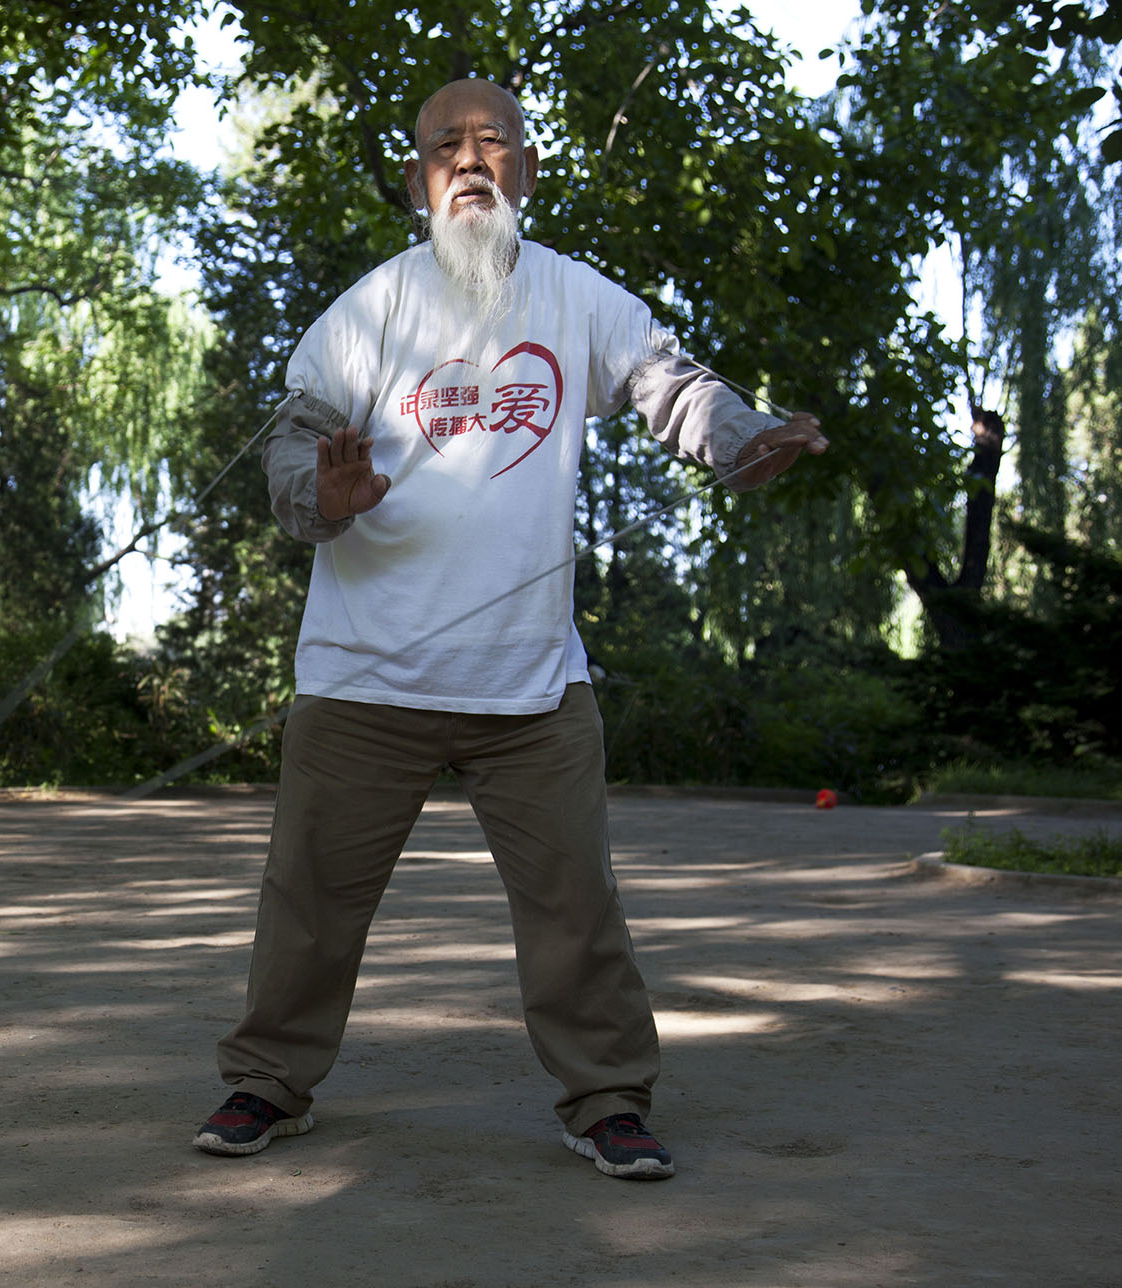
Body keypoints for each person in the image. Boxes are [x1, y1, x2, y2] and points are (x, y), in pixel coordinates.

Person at [192, 78, 828, 1179]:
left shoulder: (580, 299)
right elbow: (292, 454)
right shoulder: (367, 309)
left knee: (576, 904)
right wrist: (325, 498)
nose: (471, 160)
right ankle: (268, 1083)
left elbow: (673, 387)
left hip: (530, 684)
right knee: (306, 904)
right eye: (446, 146)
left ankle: (606, 1099)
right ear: (416, 182)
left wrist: (740, 440)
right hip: (361, 678)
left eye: (493, 143)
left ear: (524, 172)